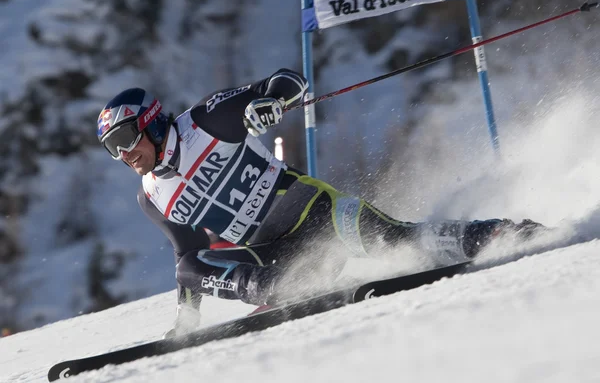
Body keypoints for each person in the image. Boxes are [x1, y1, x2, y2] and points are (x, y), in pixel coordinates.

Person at [96, 68, 543, 336]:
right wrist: (186, 323)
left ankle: (496, 233)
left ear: (152, 123)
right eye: (111, 148)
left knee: (397, 241)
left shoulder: (207, 120)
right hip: (273, 262)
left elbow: (289, 80)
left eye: (124, 138)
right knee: (187, 266)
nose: (123, 154)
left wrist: (268, 103)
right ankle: (282, 292)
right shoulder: (152, 196)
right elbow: (189, 259)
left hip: (315, 215)